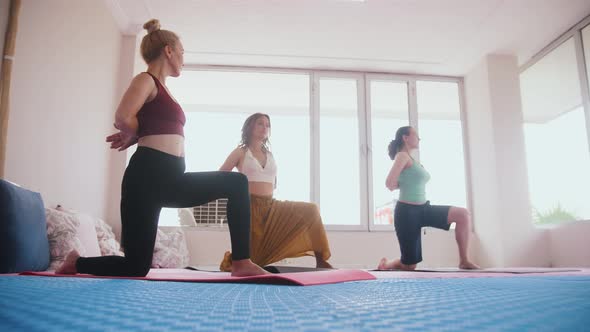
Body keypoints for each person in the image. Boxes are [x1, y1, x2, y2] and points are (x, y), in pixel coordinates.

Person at [57, 19, 268, 277]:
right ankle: (77, 262)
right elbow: (123, 116)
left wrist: (136, 135)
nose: (183, 58)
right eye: (181, 52)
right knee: (136, 267)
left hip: (172, 178)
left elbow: (151, 126)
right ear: (168, 51)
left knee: (235, 184)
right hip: (145, 178)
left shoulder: (165, 91)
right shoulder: (146, 80)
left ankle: (241, 262)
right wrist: (134, 134)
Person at [218, 113, 332, 271]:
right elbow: (221, 177)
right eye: (260, 123)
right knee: (255, 259)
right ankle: (234, 261)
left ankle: (321, 260)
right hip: (250, 208)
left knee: (311, 210)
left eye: (267, 125)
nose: (265, 127)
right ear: (250, 127)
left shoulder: (270, 155)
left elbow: (272, 182)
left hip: (271, 206)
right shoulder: (241, 152)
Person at [377, 126, 479, 271]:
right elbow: (389, 183)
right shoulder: (402, 156)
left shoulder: (413, 161)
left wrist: (406, 182)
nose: (419, 138)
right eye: (415, 135)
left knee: (463, 215)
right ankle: (386, 265)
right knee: (409, 266)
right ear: (405, 138)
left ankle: (464, 260)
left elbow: (405, 181)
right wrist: (402, 184)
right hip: (407, 213)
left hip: (424, 209)